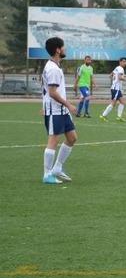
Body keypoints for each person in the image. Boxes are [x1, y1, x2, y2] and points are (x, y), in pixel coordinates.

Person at [40, 37, 78, 184]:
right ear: (58, 50)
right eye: (63, 46)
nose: (65, 48)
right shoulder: (53, 69)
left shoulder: (54, 66)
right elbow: (52, 92)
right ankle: (47, 174)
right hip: (55, 110)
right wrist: (69, 104)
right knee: (53, 140)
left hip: (61, 110)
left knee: (72, 138)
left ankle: (57, 168)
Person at [100, 57, 126, 122]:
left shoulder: (117, 68)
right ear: (120, 62)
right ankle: (103, 115)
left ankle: (119, 117)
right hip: (116, 89)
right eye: (123, 61)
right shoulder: (121, 69)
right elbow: (120, 77)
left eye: (125, 62)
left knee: (122, 102)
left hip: (115, 88)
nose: (125, 63)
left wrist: (114, 79)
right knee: (114, 103)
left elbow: (110, 75)